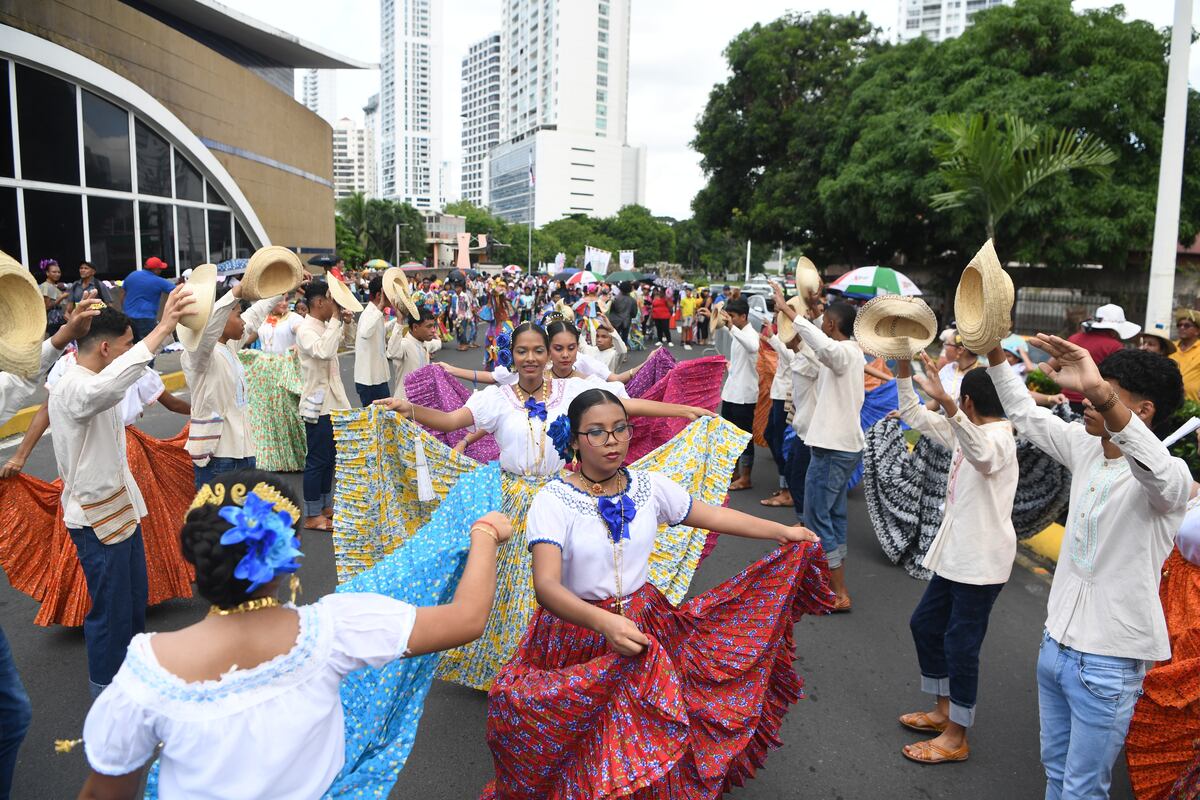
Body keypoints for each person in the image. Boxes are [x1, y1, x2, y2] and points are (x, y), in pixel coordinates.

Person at [77, 470, 514, 800]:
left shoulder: (147, 669)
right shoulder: (334, 629)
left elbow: (105, 792)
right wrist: (484, 532)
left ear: (195, 557)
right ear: (287, 556)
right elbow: (465, 619)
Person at [481, 388, 832, 798]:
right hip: (576, 636)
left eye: (620, 429)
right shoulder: (553, 501)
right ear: (574, 439)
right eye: (596, 432)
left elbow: (712, 515)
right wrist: (604, 623)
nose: (612, 441)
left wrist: (783, 531)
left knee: (642, 731)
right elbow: (546, 586)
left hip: (646, 624)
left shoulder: (650, 487)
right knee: (577, 741)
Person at [373, 322, 717, 689]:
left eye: (539, 350)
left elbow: (622, 407)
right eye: (522, 351)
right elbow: (450, 420)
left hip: (561, 498)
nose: (531, 358)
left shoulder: (572, 392)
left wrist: (681, 410)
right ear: (511, 355)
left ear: (549, 353)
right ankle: (509, 670)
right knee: (512, 589)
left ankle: (558, 667)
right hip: (511, 502)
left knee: (567, 584)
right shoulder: (496, 398)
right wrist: (407, 408)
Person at [985, 338, 1188, 799]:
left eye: (1104, 393)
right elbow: (1024, 413)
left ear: (1145, 410)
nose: (1087, 402)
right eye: (1092, 391)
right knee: (1055, 773)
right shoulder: (1087, 448)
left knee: (1082, 789)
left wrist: (1097, 388)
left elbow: (1154, 469)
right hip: (1055, 644)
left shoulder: (1169, 477)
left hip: (1109, 663)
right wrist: (992, 348)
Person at [49, 287, 195, 697]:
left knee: (131, 606)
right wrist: (163, 328)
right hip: (95, 520)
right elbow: (107, 391)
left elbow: (115, 387)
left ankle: (132, 686)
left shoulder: (96, 378)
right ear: (107, 348)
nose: (133, 351)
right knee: (110, 616)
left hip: (121, 511)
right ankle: (107, 699)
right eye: (128, 344)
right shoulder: (74, 385)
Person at [0, 294, 102, 799]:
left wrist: (64, 334)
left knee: (12, 715)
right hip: (89, 490)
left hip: (115, 484)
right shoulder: (80, 380)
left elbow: (15, 383)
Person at [894, 354, 1017, 764]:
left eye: (958, 401)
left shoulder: (999, 438)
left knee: (961, 646)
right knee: (926, 625)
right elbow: (913, 415)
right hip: (956, 556)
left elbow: (983, 456)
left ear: (967, 402)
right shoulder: (969, 430)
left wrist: (948, 406)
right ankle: (944, 710)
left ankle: (956, 735)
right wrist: (902, 370)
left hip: (980, 563)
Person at [774, 284, 864, 612]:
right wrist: (810, 312)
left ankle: (837, 592)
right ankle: (830, 583)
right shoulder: (845, 352)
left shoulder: (843, 353)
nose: (821, 322)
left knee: (816, 516)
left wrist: (788, 310)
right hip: (838, 447)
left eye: (824, 319)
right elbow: (817, 349)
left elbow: (823, 347)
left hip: (833, 448)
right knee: (832, 516)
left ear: (831, 325)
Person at [181, 281, 278, 489]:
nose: (243, 321)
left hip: (245, 453)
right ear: (221, 317)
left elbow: (255, 315)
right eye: (237, 315)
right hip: (218, 457)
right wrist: (234, 293)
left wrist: (284, 287)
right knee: (219, 512)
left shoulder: (229, 346)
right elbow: (210, 327)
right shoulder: (199, 354)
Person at [296, 279, 357, 532]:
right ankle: (312, 515)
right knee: (317, 460)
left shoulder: (324, 325)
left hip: (332, 403)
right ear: (320, 302)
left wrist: (346, 322)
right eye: (332, 301)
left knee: (330, 458)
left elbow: (348, 342)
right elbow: (324, 351)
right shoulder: (306, 329)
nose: (335, 306)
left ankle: (324, 506)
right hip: (317, 405)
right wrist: (335, 320)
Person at [1064, 303, 1138, 411]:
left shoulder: (1074, 339)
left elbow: (1053, 365)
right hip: (1094, 403)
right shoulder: (1114, 346)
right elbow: (1121, 378)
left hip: (1065, 401)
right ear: (1114, 330)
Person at [719, 297, 759, 491]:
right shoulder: (739, 332)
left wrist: (731, 328)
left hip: (744, 396)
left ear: (744, 316)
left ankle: (746, 477)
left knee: (744, 437)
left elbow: (752, 347)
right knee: (729, 435)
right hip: (731, 393)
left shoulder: (751, 335)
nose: (731, 320)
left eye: (733, 316)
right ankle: (733, 473)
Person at [353, 275, 393, 406]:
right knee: (375, 416)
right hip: (368, 380)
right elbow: (365, 332)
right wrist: (381, 305)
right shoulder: (369, 313)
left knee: (384, 415)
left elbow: (379, 331)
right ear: (379, 295)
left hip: (377, 377)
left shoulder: (375, 312)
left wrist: (398, 321)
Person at [387, 302, 441, 398]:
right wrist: (399, 321)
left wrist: (438, 338)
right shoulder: (405, 344)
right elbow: (392, 352)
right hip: (405, 402)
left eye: (433, 326)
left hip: (424, 399)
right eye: (429, 326)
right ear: (415, 327)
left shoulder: (425, 343)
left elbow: (437, 344)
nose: (433, 330)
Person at [121, 257, 175, 345]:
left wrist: (124, 309)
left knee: (131, 345)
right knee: (148, 346)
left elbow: (123, 294)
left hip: (128, 317)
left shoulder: (132, 275)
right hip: (146, 318)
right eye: (160, 269)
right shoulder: (158, 281)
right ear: (155, 270)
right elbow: (177, 291)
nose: (161, 271)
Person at [1171, 308, 1200, 401]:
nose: (1182, 328)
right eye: (1179, 325)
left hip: (1195, 404)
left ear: (1197, 331)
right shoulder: (1170, 347)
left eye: (1187, 325)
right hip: (1170, 402)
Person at [40, 259, 68, 336]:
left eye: (59, 272)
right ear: (47, 273)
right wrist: (62, 297)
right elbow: (47, 306)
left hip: (61, 321)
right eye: (54, 272)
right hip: (53, 323)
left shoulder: (56, 286)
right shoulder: (45, 286)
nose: (57, 274)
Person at [607, 281, 638, 345]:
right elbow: (634, 314)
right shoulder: (633, 301)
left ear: (620, 288)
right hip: (626, 321)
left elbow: (610, 310)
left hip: (614, 321)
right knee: (624, 340)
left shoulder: (615, 299)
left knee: (615, 339)